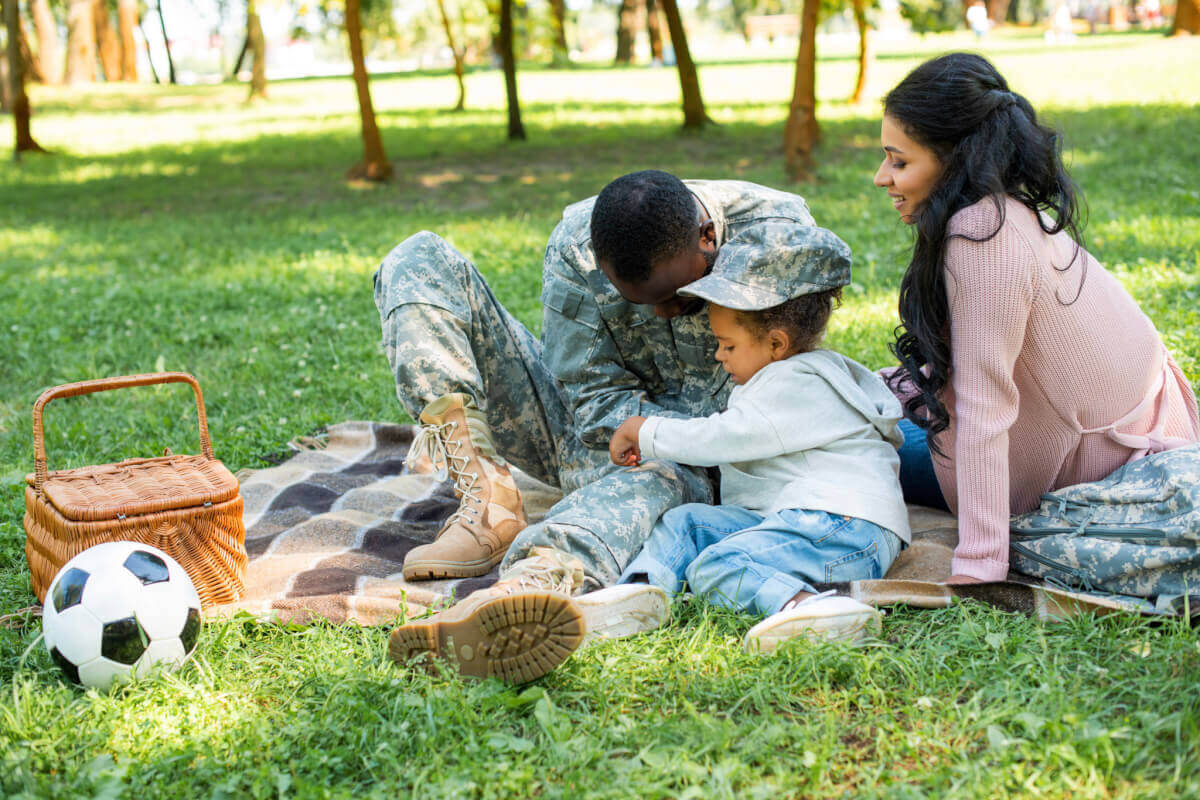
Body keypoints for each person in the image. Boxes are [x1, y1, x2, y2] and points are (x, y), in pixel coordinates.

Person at [376, 170, 840, 681]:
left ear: (707, 237)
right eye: (641, 302)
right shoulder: (578, 245)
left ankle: (528, 587)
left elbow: (787, 383)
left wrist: (663, 439)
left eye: (683, 297)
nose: (665, 313)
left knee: (660, 473)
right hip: (596, 434)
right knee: (417, 258)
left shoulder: (777, 234)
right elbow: (589, 394)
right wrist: (636, 433)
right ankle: (488, 496)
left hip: (712, 453)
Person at [872, 53, 1200, 586]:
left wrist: (980, 564)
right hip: (1139, 429)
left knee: (837, 438)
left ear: (954, 159)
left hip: (1086, 467)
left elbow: (984, 408)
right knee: (860, 394)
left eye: (898, 161)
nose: (881, 177)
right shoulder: (1008, 209)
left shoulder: (980, 236)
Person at [609, 248, 911, 653]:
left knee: (718, 566)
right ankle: (639, 593)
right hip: (813, 522)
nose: (719, 355)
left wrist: (646, 432)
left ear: (776, 343)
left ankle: (811, 610)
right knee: (689, 524)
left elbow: (723, 437)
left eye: (728, 346)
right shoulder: (788, 377)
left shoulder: (796, 383)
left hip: (843, 528)